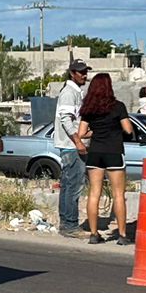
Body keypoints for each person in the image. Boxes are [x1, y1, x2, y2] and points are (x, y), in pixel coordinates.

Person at [75, 72, 134, 245]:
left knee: (94, 193)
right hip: (114, 152)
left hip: (95, 153)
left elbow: (81, 133)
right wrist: (114, 129)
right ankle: (122, 235)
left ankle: (94, 234)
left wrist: (96, 131)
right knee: (118, 194)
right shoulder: (118, 106)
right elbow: (128, 130)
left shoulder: (89, 109)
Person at [54, 59, 91, 236]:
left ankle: (67, 223)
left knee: (68, 185)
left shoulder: (76, 92)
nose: (84, 75)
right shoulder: (69, 93)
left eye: (85, 71)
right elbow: (66, 120)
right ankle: (70, 225)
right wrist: (78, 142)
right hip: (71, 146)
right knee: (73, 186)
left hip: (71, 145)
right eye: (81, 72)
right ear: (72, 73)